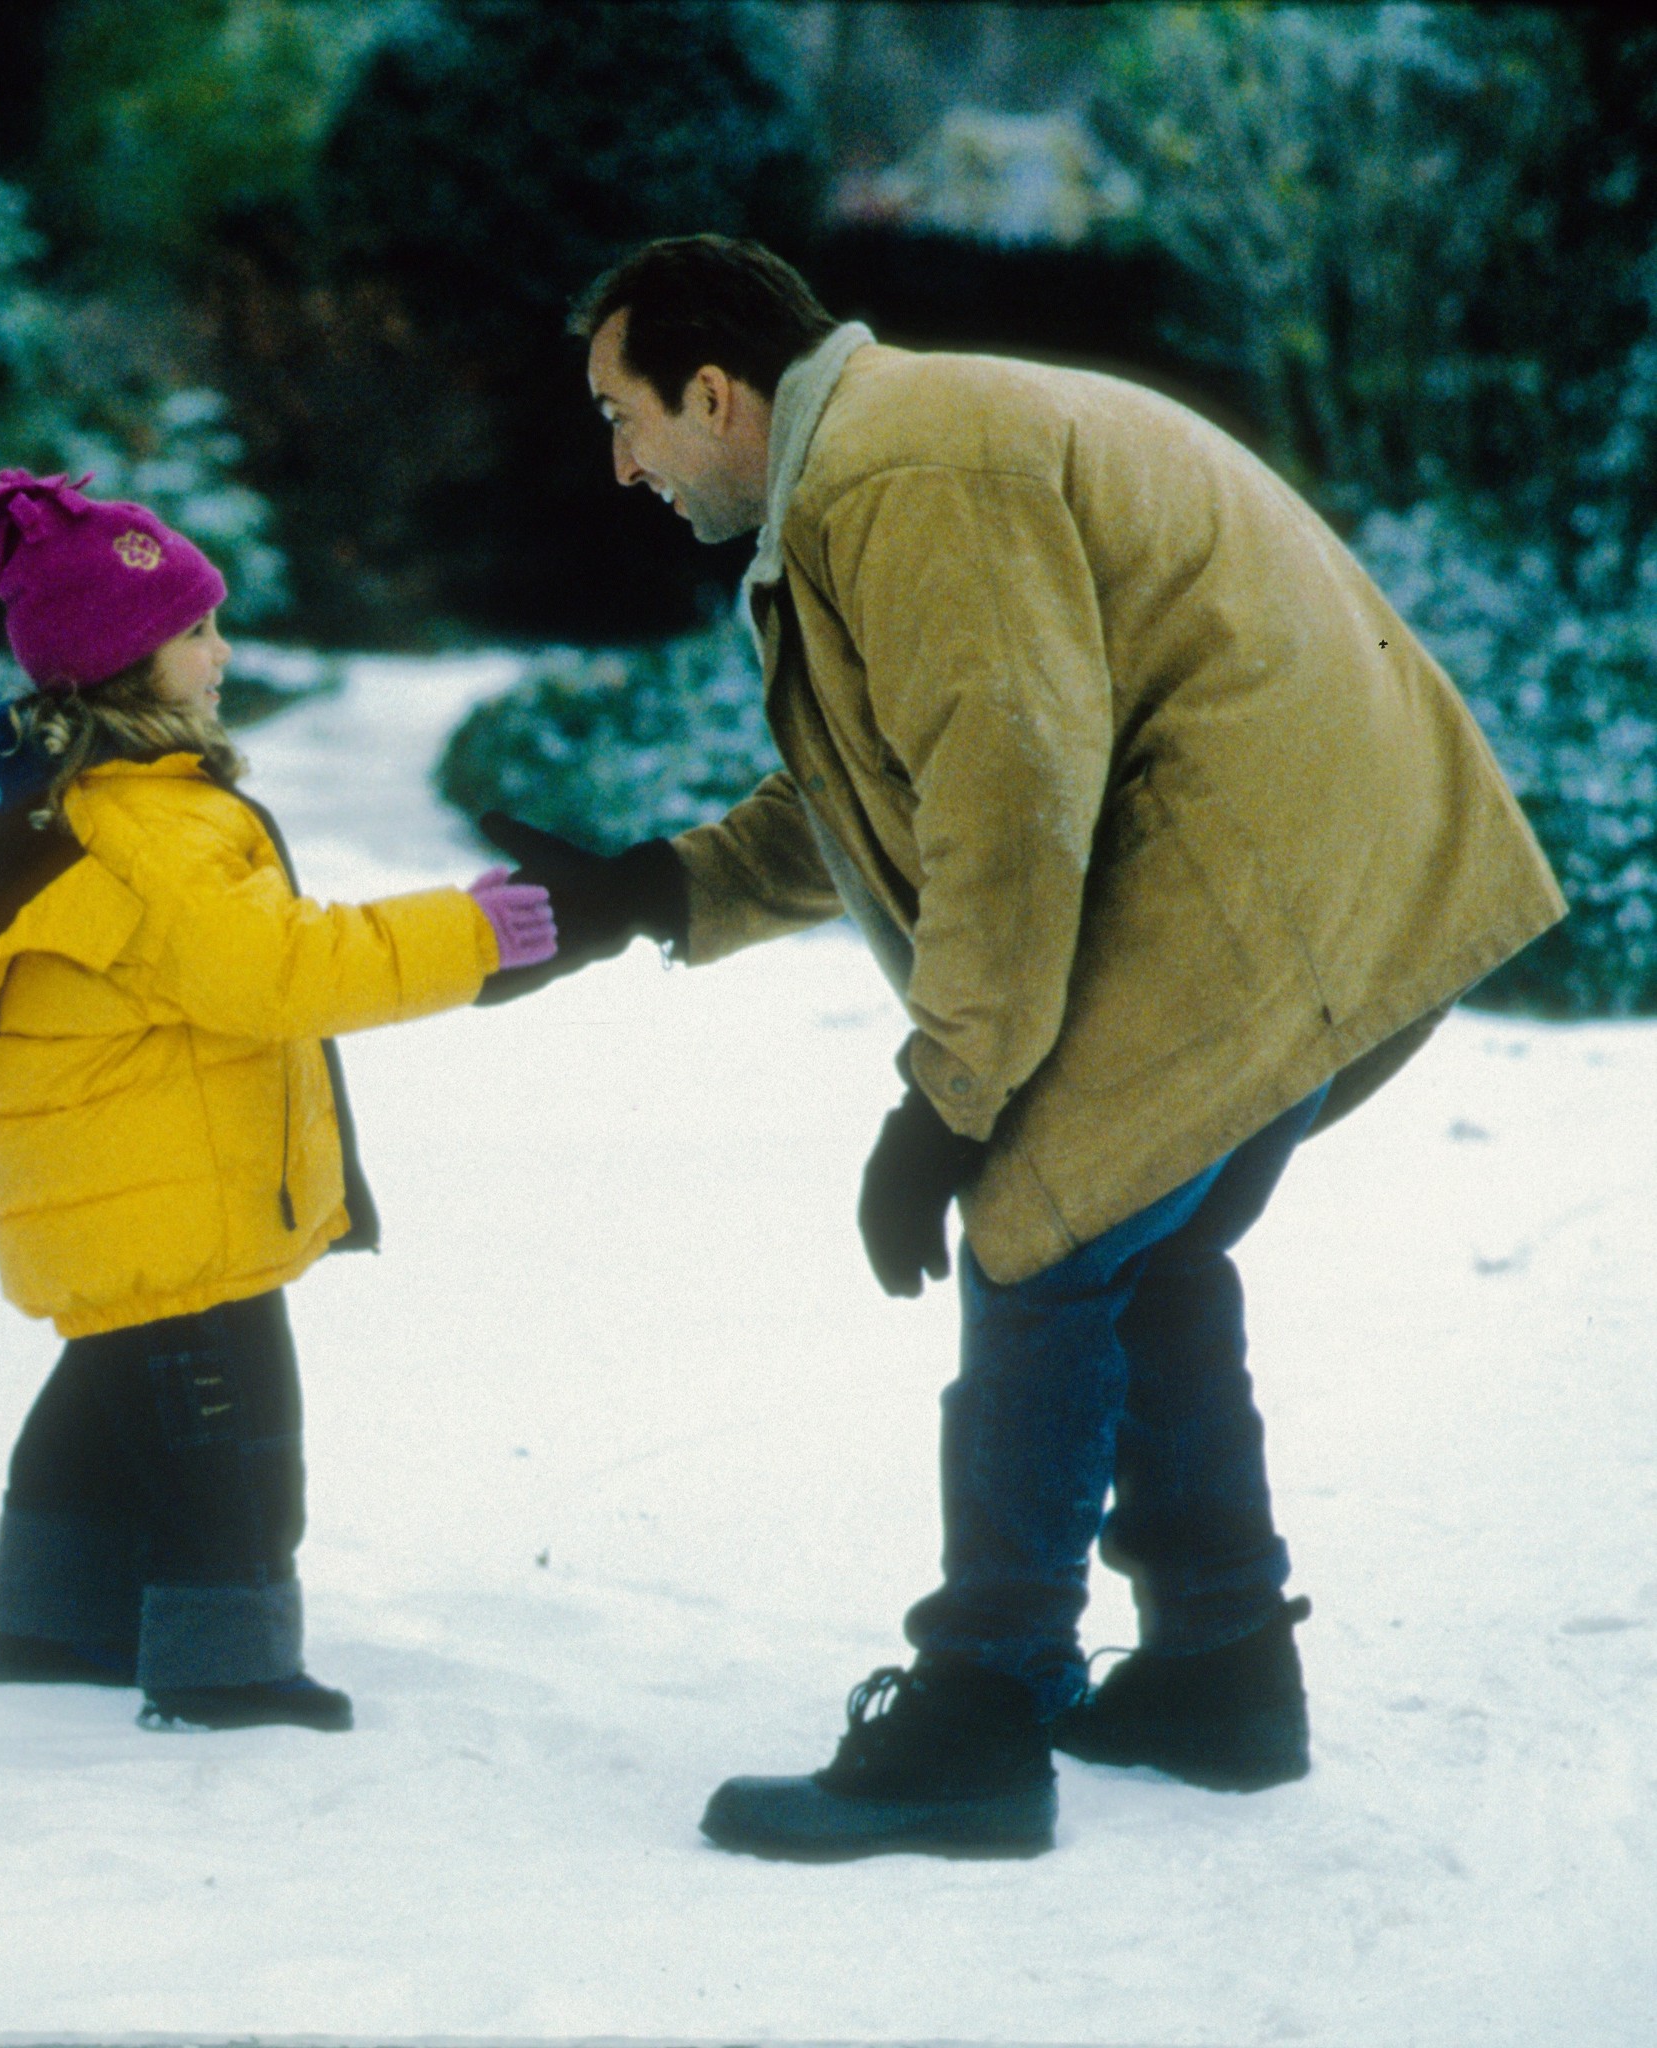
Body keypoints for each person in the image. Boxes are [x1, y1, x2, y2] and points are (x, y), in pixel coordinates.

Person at [476, 235, 1566, 1858]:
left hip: (1254, 857)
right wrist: (657, 886)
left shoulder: (906, 471)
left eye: (623, 414)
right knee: (1152, 1235)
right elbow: (904, 777)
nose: (621, 461)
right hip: (1304, 847)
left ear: (715, 392)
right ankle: (1220, 1668)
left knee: (1043, 1223)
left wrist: (950, 1099)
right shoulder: (881, 462)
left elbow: (1008, 783)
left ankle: (981, 1708)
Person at [0, 471, 555, 1733]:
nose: (222, 651)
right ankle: (226, 1667)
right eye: (193, 630)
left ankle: (57, 1625)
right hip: (177, 1208)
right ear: (121, 662)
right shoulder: (155, 829)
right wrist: (470, 933)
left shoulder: (79, 809)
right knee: (235, 1442)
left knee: (110, 1406)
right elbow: (277, 970)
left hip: (123, 1196)